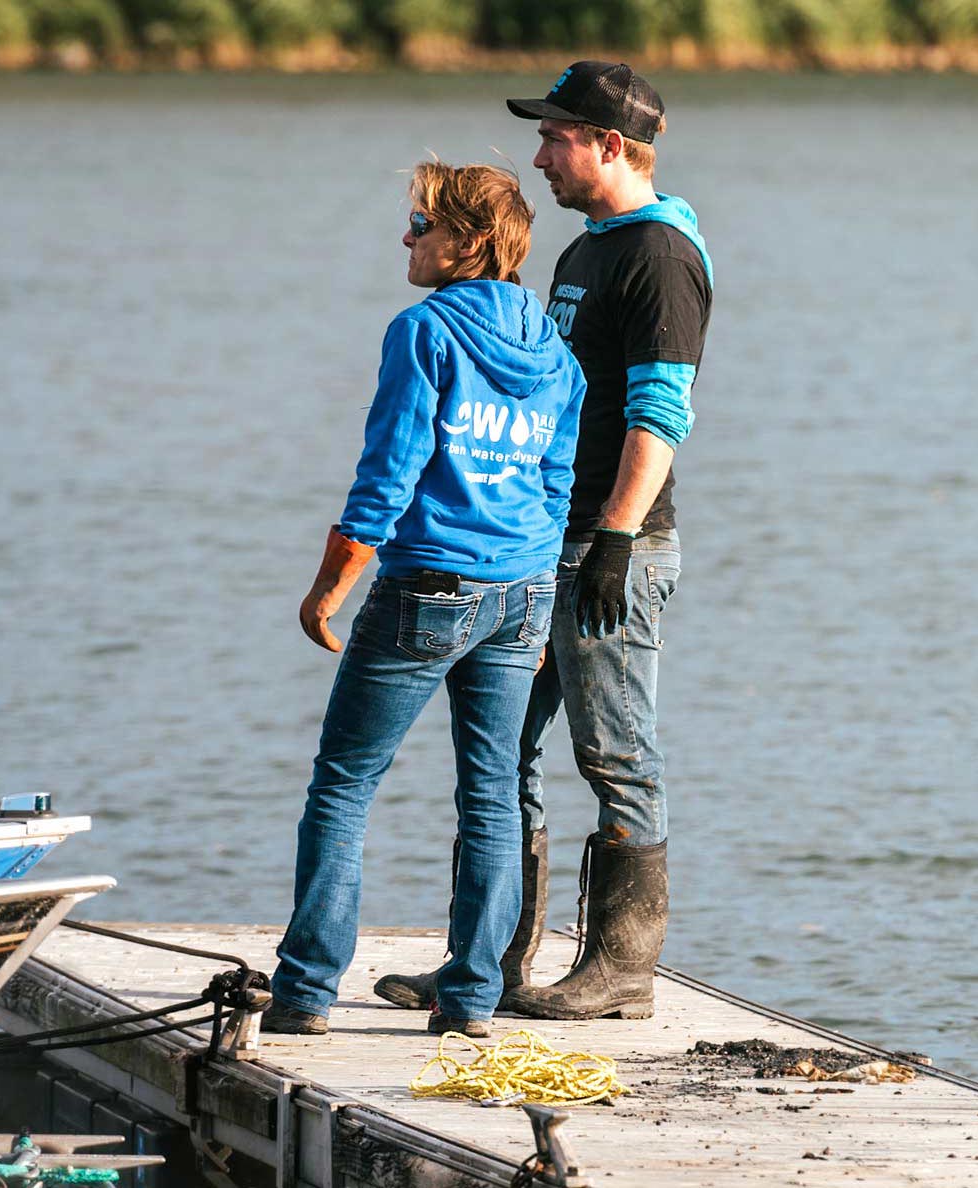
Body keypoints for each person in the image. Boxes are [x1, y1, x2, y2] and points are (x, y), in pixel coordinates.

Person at [375, 61, 713, 1022]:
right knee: (501, 752)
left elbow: (661, 410)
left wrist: (613, 535)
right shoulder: (587, 250)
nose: (539, 156)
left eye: (556, 137)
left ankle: (621, 970)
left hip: (618, 551)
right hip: (537, 544)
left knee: (616, 751)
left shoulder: (657, 256)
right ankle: (486, 962)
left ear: (610, 144)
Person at [263, 161, 586, 1038]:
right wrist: (544, 598)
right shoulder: (557, 354)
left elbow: (389, 474)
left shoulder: (424, 331)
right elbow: (555, 487)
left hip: (429, 587)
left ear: (471, 243)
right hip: (521, 592)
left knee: (344, 783)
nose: (406, 238)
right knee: (491, 795)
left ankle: (304, 993)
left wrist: (329, 589)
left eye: (420, 225)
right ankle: (474, 1000)